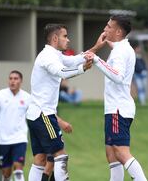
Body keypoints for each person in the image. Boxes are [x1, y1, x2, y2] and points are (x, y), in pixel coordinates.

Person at [26, 23, 95, 181]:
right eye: (65, 36)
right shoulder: (48, 57)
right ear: (55, 38)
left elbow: (73, 60)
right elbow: (62, 71)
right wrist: (83, 68)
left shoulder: (54, 54)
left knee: (40, 160)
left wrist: (97, 47)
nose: (68, 39)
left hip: (36, 114)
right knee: (60, 155)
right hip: (44, 115)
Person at [88, 14, 148, 181]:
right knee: (111, 153)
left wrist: (96, 60)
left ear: (119, 31)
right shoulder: (121, 48)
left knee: (121, 152)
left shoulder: (121, 51)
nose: (105, 28)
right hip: (114, 109)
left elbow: (119, 75)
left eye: (109, 26)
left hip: (118, 109)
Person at [0, 70, 30, 181]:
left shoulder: (27, 97)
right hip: (3, 140)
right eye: (10, 78)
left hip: (20, 138)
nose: (12, 81)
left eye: (15, 79)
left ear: (21, 81)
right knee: (6, 174)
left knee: (18, 170)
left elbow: (33, 115)